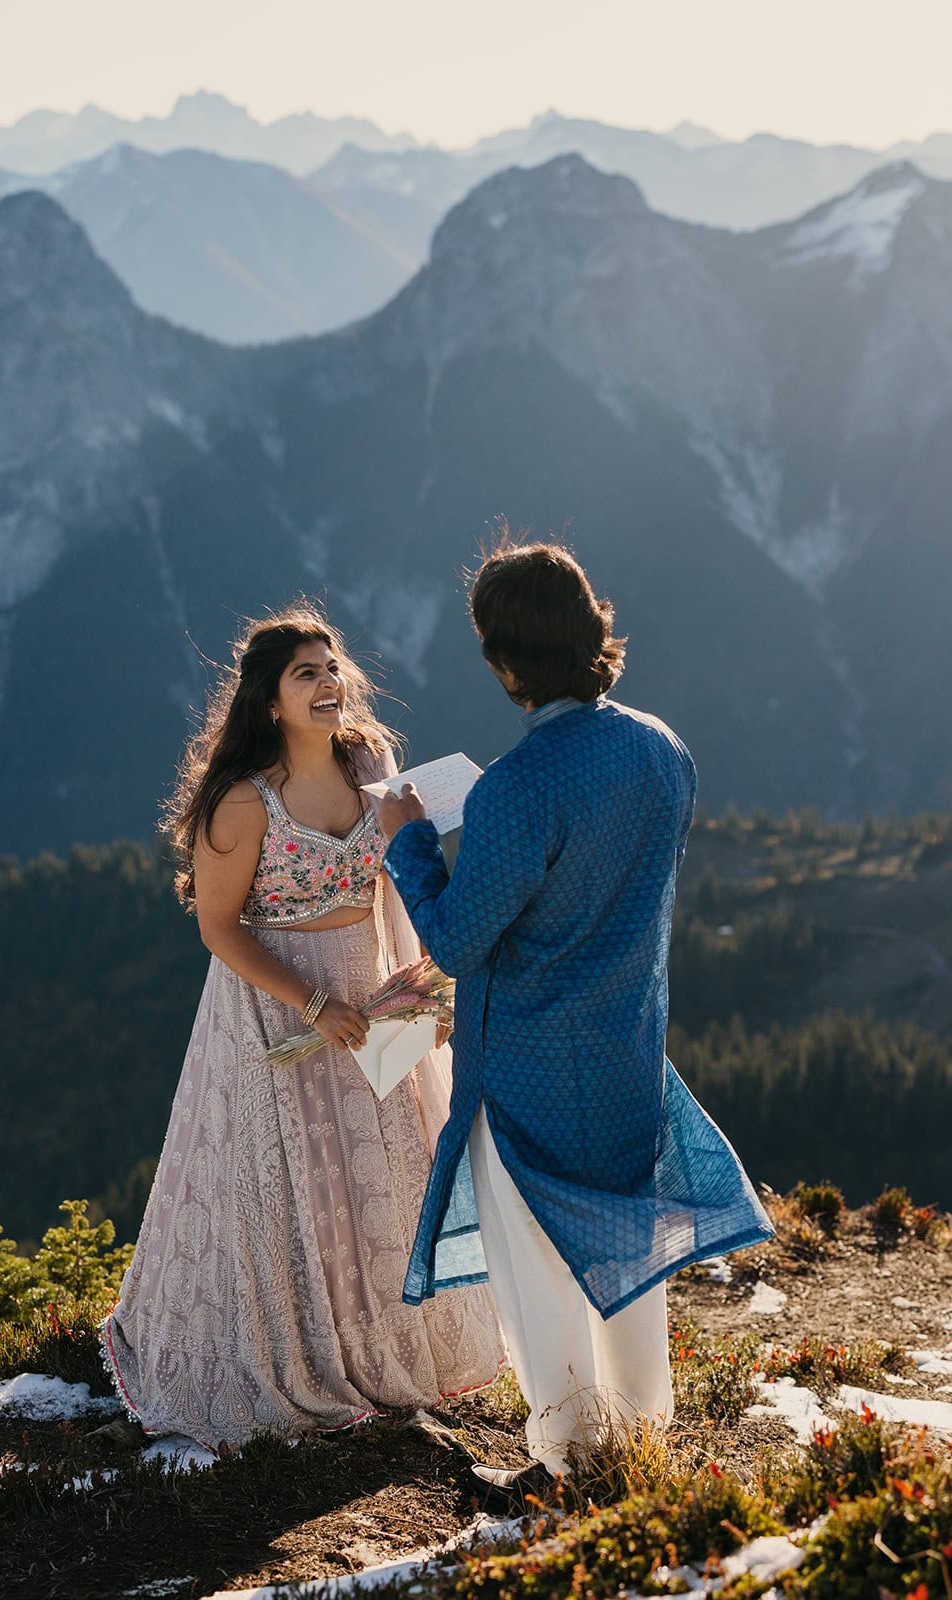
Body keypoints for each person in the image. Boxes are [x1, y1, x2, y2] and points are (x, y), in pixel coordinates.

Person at [379, 537, 773, 1507]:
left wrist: (409, 845)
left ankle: (562, 1464)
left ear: (506, 661)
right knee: (623, 1247)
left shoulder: (520, 784)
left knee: (535, 1269)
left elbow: (462, 941)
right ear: (591, 628)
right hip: (626, 1045)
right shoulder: (660, 749)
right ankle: (641, 1435)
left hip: (526, 1060)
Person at [101, 607, 504, 1449]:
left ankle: (392, 1348)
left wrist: (427, 990)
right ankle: (295, 1352)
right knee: (291, 1180)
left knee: (387, 1171)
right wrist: (314, 1007)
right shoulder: (240, 803)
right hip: (275, 1002)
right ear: (270, 700)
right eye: (304, 675)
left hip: (373, 986)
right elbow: (219, 928)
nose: (327, 684)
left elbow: (403, 874)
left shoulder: (373, 764)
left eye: (331, 668)